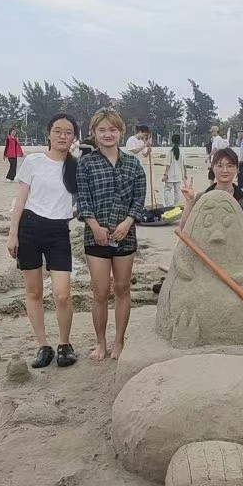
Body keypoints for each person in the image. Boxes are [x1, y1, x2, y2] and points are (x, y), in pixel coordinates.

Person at [6, 113, 79, 369]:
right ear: (49, 133)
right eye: (57, 131)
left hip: (59, 231)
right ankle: (43, 346)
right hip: (30, 228)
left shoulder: (76, 166)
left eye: (68, 132)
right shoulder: (33, 161)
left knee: (62, 294)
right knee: (34, 291)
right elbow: (20, 199)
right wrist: (12, 234)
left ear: (74, 137)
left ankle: (65, 345)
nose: (62, 136)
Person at [77, 109, 147, 361]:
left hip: (125, 234)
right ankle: (100, 342)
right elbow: (83, 199)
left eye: (113, 129)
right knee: (100, 291)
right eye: (102, 130)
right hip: (95, 236)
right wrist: (95, 227)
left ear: (121, 132)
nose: (108, 134)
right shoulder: (86, 163)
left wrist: (128, 222)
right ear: (94, 133)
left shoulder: (133, 164)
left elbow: (139, 198)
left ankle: (119, 340)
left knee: (122, 288)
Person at [180, 147, 243, 232]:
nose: (224, 170)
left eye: (230, 166)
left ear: (237, 169)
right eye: (219, 166)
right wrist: (189, 201)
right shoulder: (202, 197)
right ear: (212, 168)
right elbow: (184, 230)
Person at [162, 133, 187, 207]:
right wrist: (185, 174)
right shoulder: (182, 152)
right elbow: (184, 164)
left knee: (167, 190)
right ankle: (175, 205)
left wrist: (165, 175)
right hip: (179, 175)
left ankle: (169, 205)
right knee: (177, 192)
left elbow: (168, 165)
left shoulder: (170, 152)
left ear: (172, 141)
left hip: (170, 175)